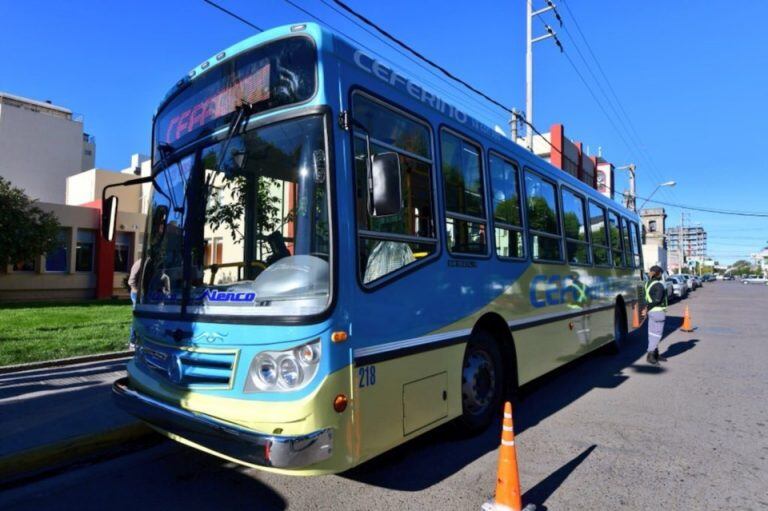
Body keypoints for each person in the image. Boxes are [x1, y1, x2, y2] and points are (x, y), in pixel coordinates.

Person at [644, 265, 669, 365]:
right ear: (658, 274)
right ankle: (651, 355)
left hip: (652, 312)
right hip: (658, 312)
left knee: (652, 333)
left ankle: (655, 354)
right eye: (662, 273)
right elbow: (657, 300)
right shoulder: (659, 285)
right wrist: (647, 307)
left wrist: (647, 308)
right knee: (657, 335)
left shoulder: (648, 283)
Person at [127, 258, 142, 347]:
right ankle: (133, 341)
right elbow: (131, 281)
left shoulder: (141, 261)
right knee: (137, 317)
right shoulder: (142, 262)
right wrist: (137, 290)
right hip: (137, 294)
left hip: (139, 293)